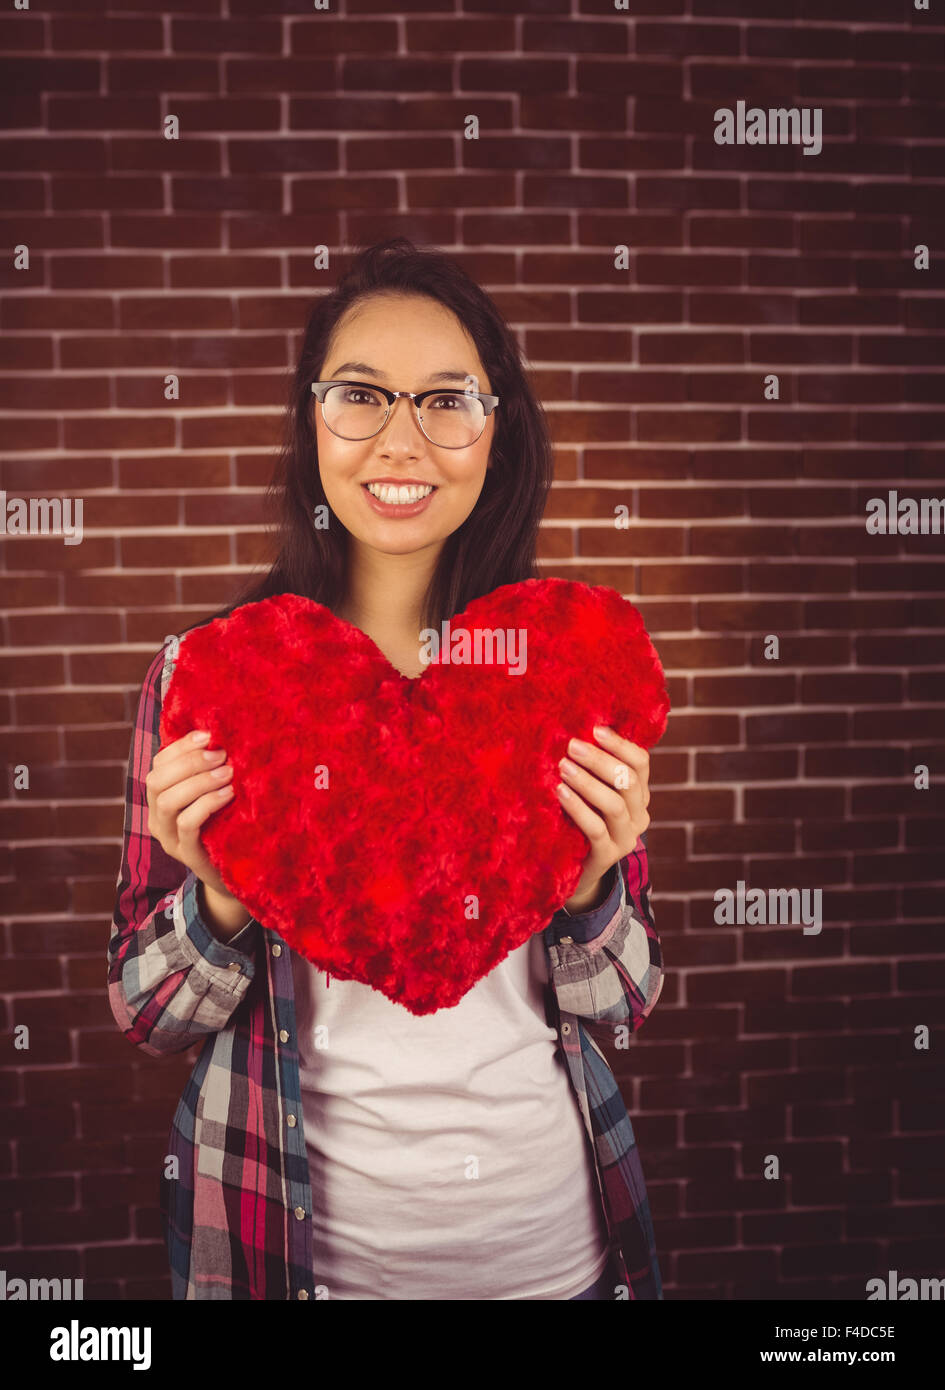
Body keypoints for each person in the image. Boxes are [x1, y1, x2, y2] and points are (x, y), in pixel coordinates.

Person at [108, 237, 665, 1301]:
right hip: (285, 1260)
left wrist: (596, 884)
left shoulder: (560, 669)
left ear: (495, 432)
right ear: (312, 418)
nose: (401, 440)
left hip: (556, 1257)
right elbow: (148, 1011)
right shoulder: (208, 680)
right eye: (361, 394)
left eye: (447, 401)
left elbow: (626, 1002)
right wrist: (224, 894)